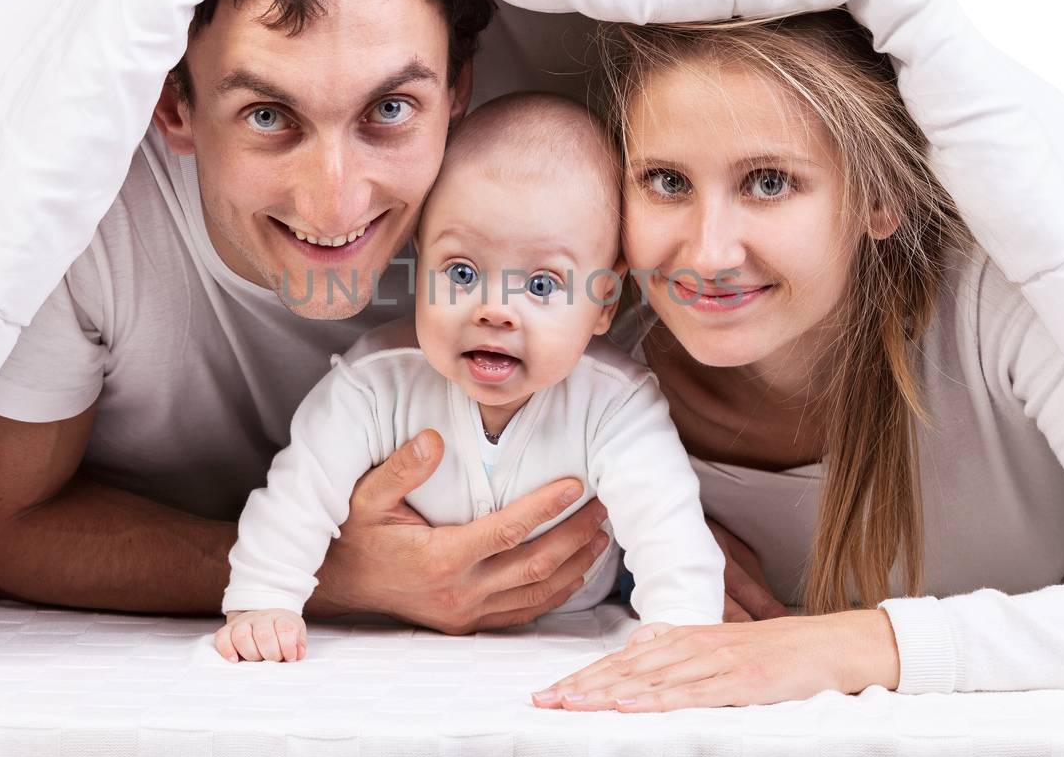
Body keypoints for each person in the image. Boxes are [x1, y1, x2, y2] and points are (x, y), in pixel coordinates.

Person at [531, 10, 1064, 711]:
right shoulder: (586, 374)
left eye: (769, 182)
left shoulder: (1003, 305)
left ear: (879, 199)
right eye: (667, 182)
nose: (708, 251)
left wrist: (853, 646)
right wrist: (632, 554)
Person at [0, 0, 617, 634]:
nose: (336, 204)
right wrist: (328, 575)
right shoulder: (83, 215)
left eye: (389, 111)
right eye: (268, 115)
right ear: (176, 108)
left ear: (456, 94)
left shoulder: (542, 179)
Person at [213, 93, 724, 662]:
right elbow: (299, 494)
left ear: (604, 300)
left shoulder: (615, 403)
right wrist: (265, 598)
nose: (494, 310)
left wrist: (682, 624)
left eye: (541, 286)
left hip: (572, 619)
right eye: (461, 272)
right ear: (417, 265)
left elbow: (666, 523)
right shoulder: (376, 384)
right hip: (402, 621)